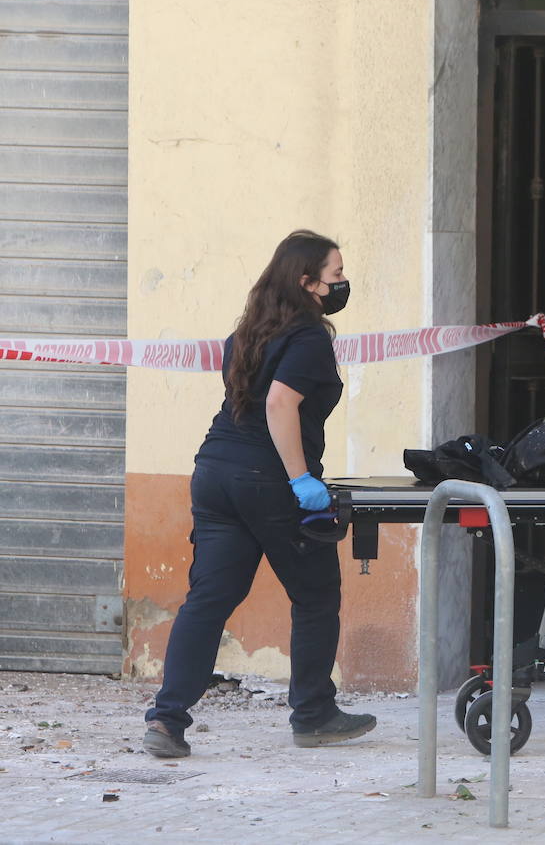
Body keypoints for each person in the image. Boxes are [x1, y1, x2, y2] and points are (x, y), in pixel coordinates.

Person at [143, 230, 376, 758]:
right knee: (315, 596)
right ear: (307, 282)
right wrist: (300, 479)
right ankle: (314, 714)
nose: (343, 283)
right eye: (336, 275)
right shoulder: (310, 338)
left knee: (208, 600)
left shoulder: (248, 331)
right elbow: (278, 405)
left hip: (214, 474)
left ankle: (166, 720)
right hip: (267, 480)